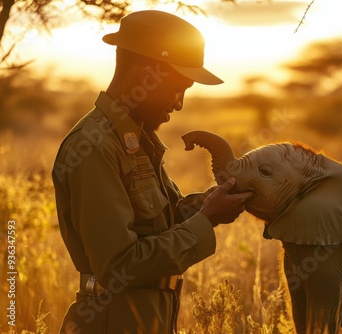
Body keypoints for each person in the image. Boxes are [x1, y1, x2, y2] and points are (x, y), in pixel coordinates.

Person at [52, 10, 253, 333]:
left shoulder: (136, 140)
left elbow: (161, 223)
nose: (179, 104)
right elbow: (118, 266)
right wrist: (207, 220)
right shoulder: (94, 148)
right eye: (178, 88)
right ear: (147, 78)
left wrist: (209, 203)